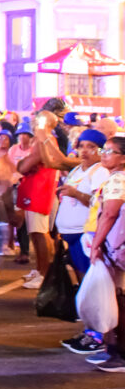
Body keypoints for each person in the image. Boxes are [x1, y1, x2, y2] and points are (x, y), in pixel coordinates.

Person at [51, 129, 110, 355]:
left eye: (92, 147)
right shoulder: (77, 169)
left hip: (87, 235)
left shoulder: (100, 172)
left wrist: (75, 194)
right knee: (84, 285)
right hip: (71, 234)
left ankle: (98, 334)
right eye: (82, 145)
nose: (85, 151)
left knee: (92, 285)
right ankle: (88, 330)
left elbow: (98, 203)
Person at [84, 135, 125, 371]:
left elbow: (109, 214)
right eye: (104, 150)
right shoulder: (115, 178)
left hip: (115, 247)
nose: (104, 154)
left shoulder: (117, 181)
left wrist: (97, 244)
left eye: (110, 151)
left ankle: (119, 352)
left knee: (117, 297)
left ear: (123, 159)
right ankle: (113, 350)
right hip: (116, 246)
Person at [16, 111, 62, 289]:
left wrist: (23, 164)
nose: (34, 121)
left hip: (40, 190)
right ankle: (39, 270)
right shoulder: (42, 139)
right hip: (36, 189)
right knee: (35, 232)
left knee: (40, 233)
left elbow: (26, 165)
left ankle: (44, 274)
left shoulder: (45, 139)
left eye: (37, 119)